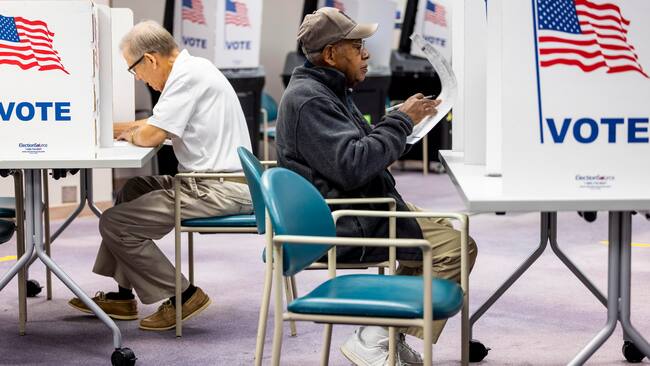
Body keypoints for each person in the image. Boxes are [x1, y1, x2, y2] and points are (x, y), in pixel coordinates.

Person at [275, 7, 478, 365]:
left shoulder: (326, 89)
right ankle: (375, 335)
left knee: (446, 238)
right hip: (347, 219)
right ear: (331, 54)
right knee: (455, 246)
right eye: (357, 46)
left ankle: (384, 334)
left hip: (362, 205)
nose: (366, 54)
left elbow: (357, 152)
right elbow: (353, 166)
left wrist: (397, 123)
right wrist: (399, 122)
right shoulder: (312, 100)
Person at [68, 20, 253, 331]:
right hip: (209, 181)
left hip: (217, 189)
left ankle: (184, 295)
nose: (138, 77)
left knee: (114, 222)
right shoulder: (192, 70)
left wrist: (131, 131)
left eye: (134, 69)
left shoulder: (186, 76)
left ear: (150, 59)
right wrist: (122, 130)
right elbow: (147, 127)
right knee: (134, 189)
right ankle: (123, 296)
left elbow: (151, 134)